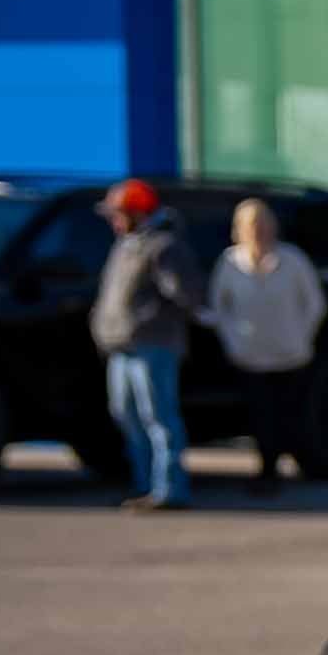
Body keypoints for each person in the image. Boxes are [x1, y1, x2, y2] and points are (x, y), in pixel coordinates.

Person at [206, 195, 328, 499]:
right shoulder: (230, 262)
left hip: (290, 352)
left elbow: (314, 304)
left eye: (263, 224)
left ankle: (291, 465)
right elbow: (218, 307)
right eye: (252, 225)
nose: (258, 231)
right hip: (250, 354)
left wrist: (302, 336)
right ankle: (268, 470)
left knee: (288, 412)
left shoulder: (293, 259)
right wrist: (232, 339)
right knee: (261, 416)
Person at [89, 179, 199, 513]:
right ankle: (144, 484)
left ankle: (170, 489)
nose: (114, 220)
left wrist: (157, 308)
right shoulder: (125, 245)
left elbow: (185, 293)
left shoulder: (163, 246)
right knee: (126, 415)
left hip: (153, 345)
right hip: (120, 345)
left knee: (159, 417)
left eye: (119, 213)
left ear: (137, 213)